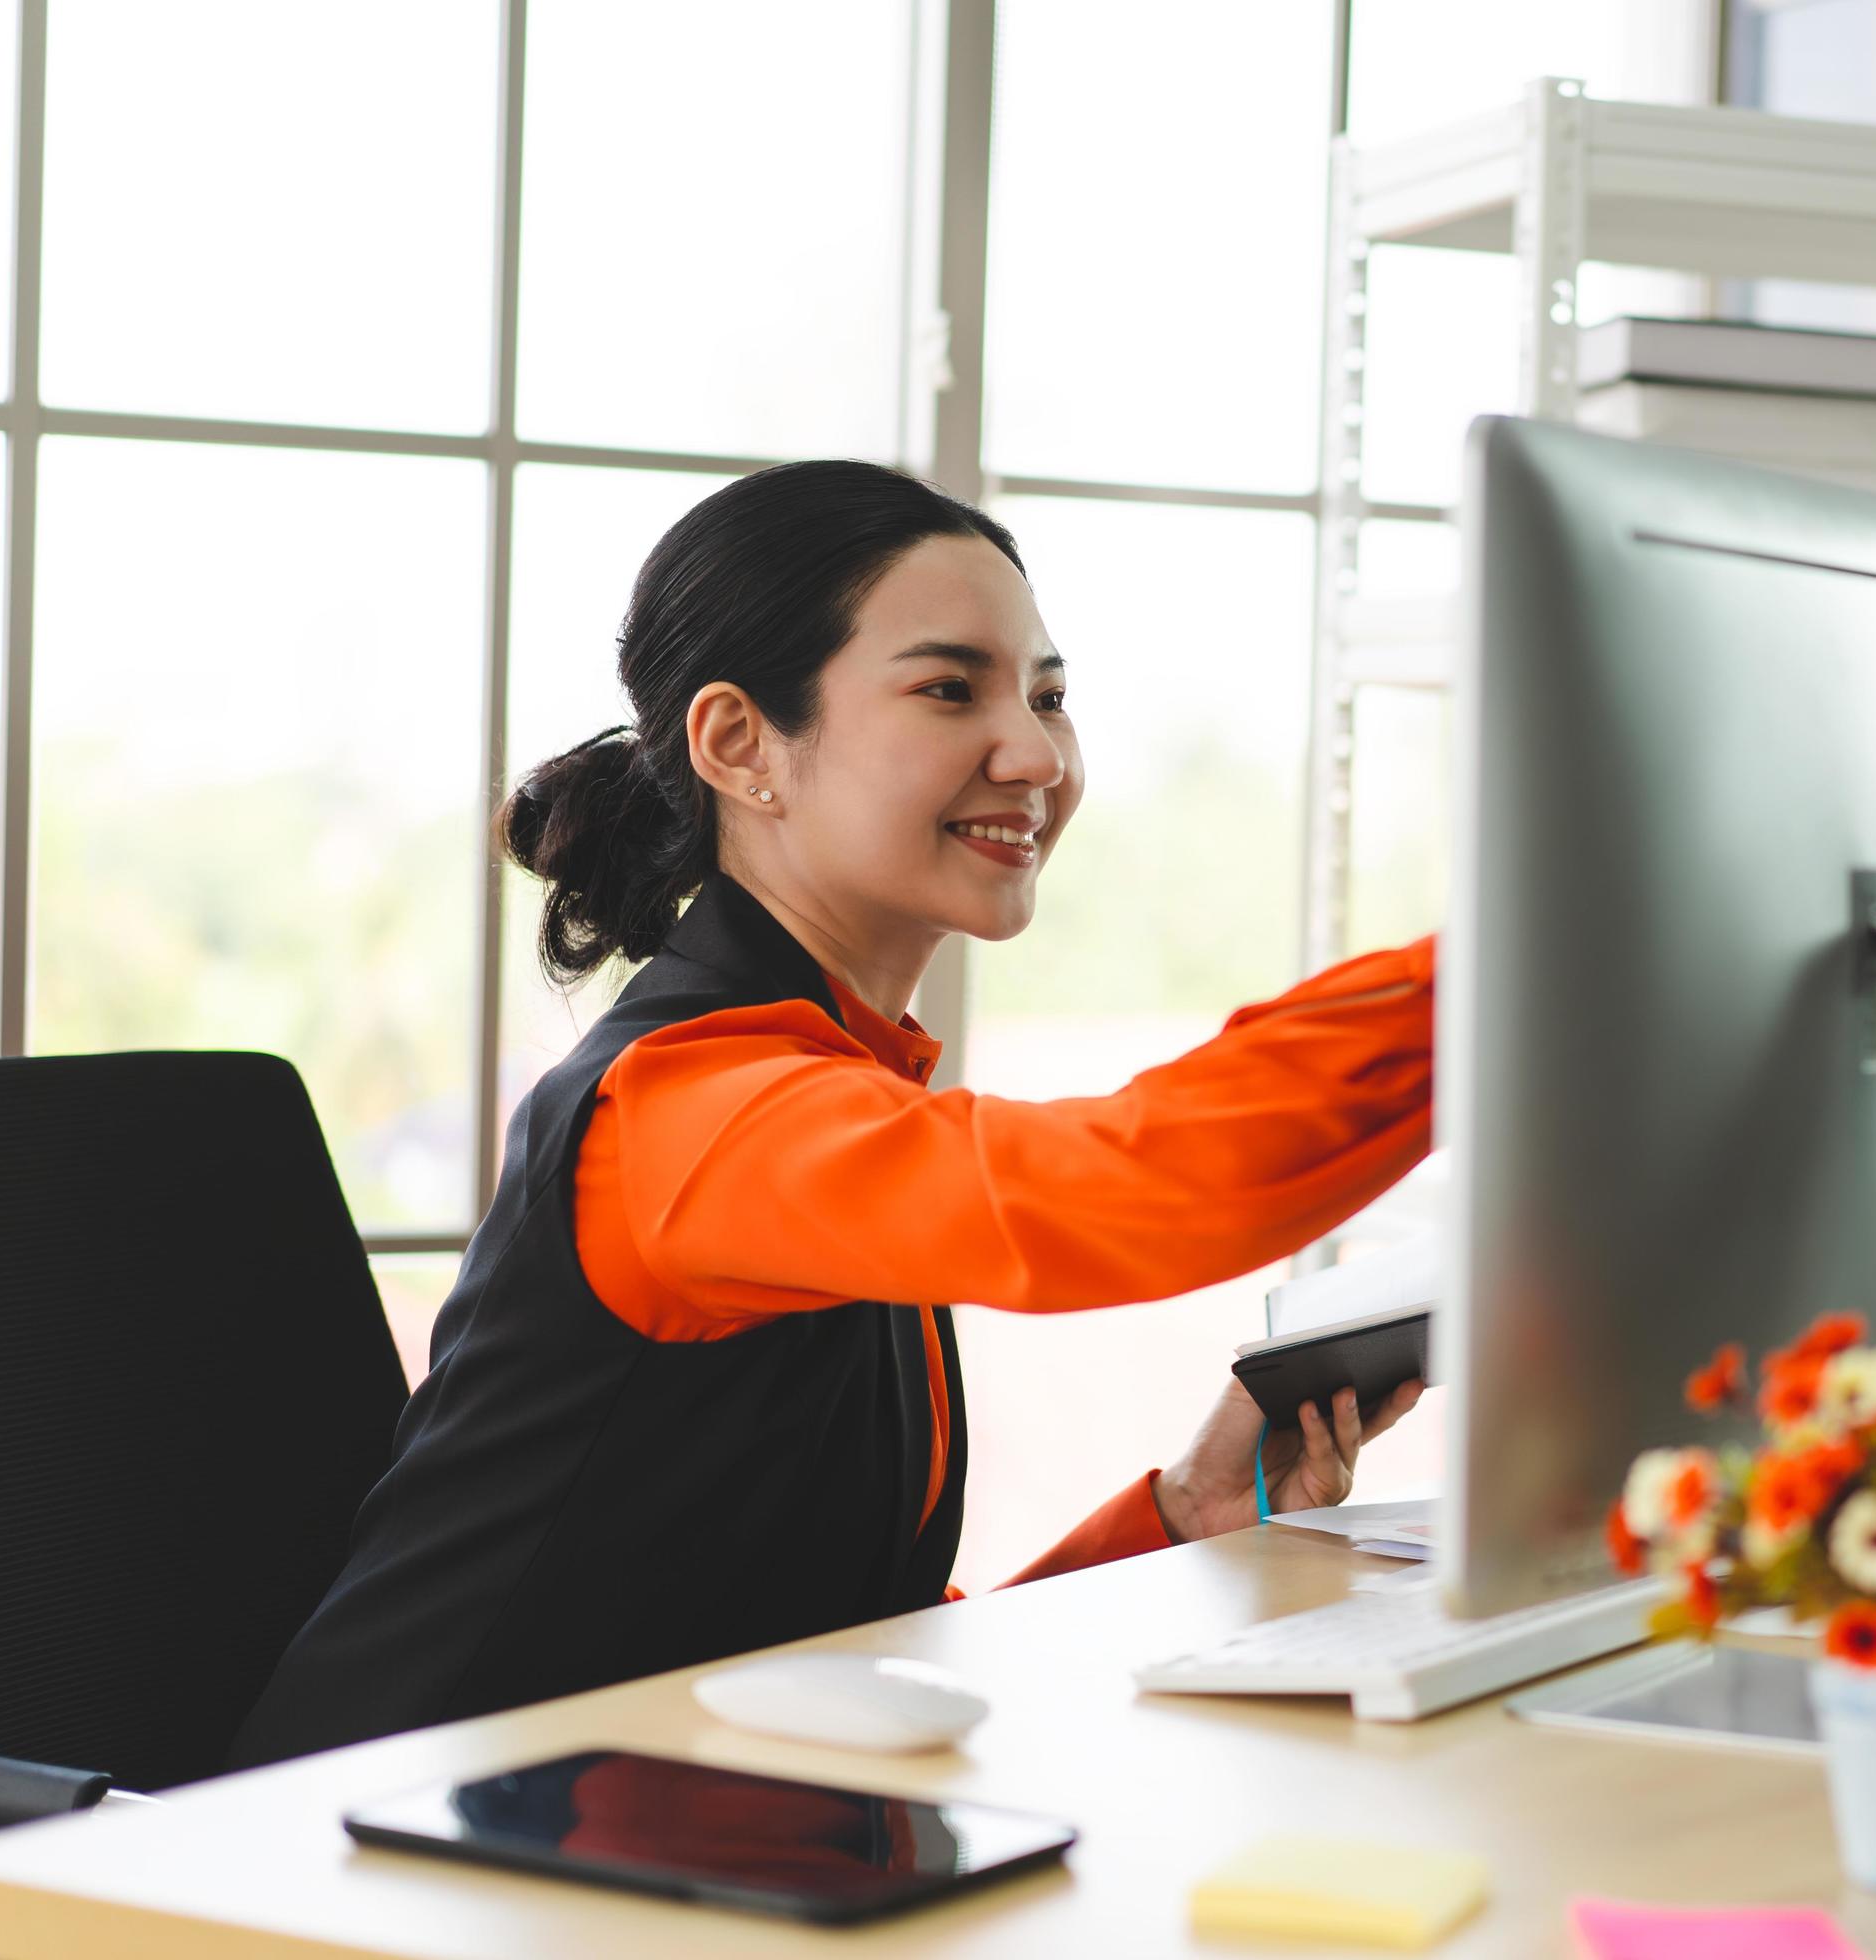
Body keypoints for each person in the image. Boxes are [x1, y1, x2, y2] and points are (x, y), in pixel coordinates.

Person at [229, 461, 1431, 1768]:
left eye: (1048, 694)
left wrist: (1185, 1511)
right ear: (741, 745)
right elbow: (1139, 1184)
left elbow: (863, 1656)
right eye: (947, 688)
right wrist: (1508, 972)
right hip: (384, 1872)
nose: (1035, 753)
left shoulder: (831, 1088)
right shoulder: (691, 1111)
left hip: (647, 1836)